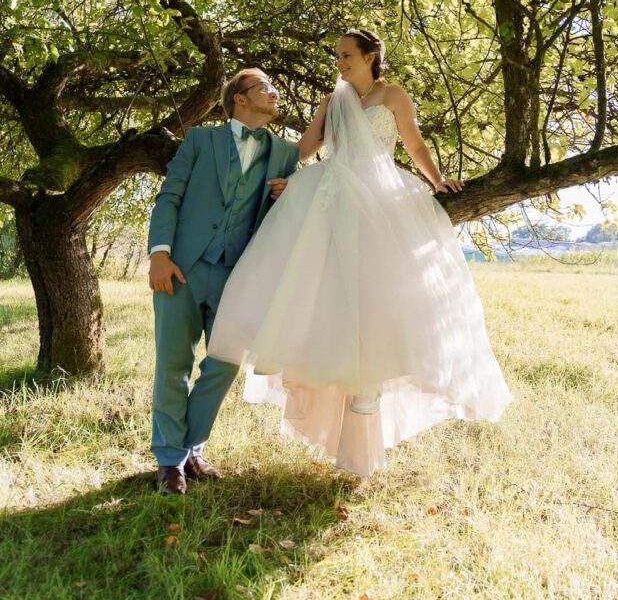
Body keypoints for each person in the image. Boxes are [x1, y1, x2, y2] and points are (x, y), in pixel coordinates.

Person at [208, 29, 512, 477]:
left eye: (347, 55)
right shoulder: (333, 101)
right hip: (330, 195)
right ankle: (342, 429)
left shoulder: (393, 95)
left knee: (376, 308)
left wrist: (437, 180)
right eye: (337, 56)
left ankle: (363, 440)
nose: (340, 63)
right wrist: (273, 169)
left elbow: (413, 143)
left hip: (379, 198)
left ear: (371, 56)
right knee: (327, 299)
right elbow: (304, 148)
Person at [147, 68, 299, 494]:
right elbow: (170, 196)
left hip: (238, 275)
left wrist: (290, 194)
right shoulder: (200, 140)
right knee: (173, 364)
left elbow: (297, 204)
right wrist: (159, 254)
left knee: (225, 364)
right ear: (240, 99)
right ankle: (171, 462)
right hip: (181, 267)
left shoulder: (285, 154)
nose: (275, 93)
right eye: (265, 87)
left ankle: (188, 447)